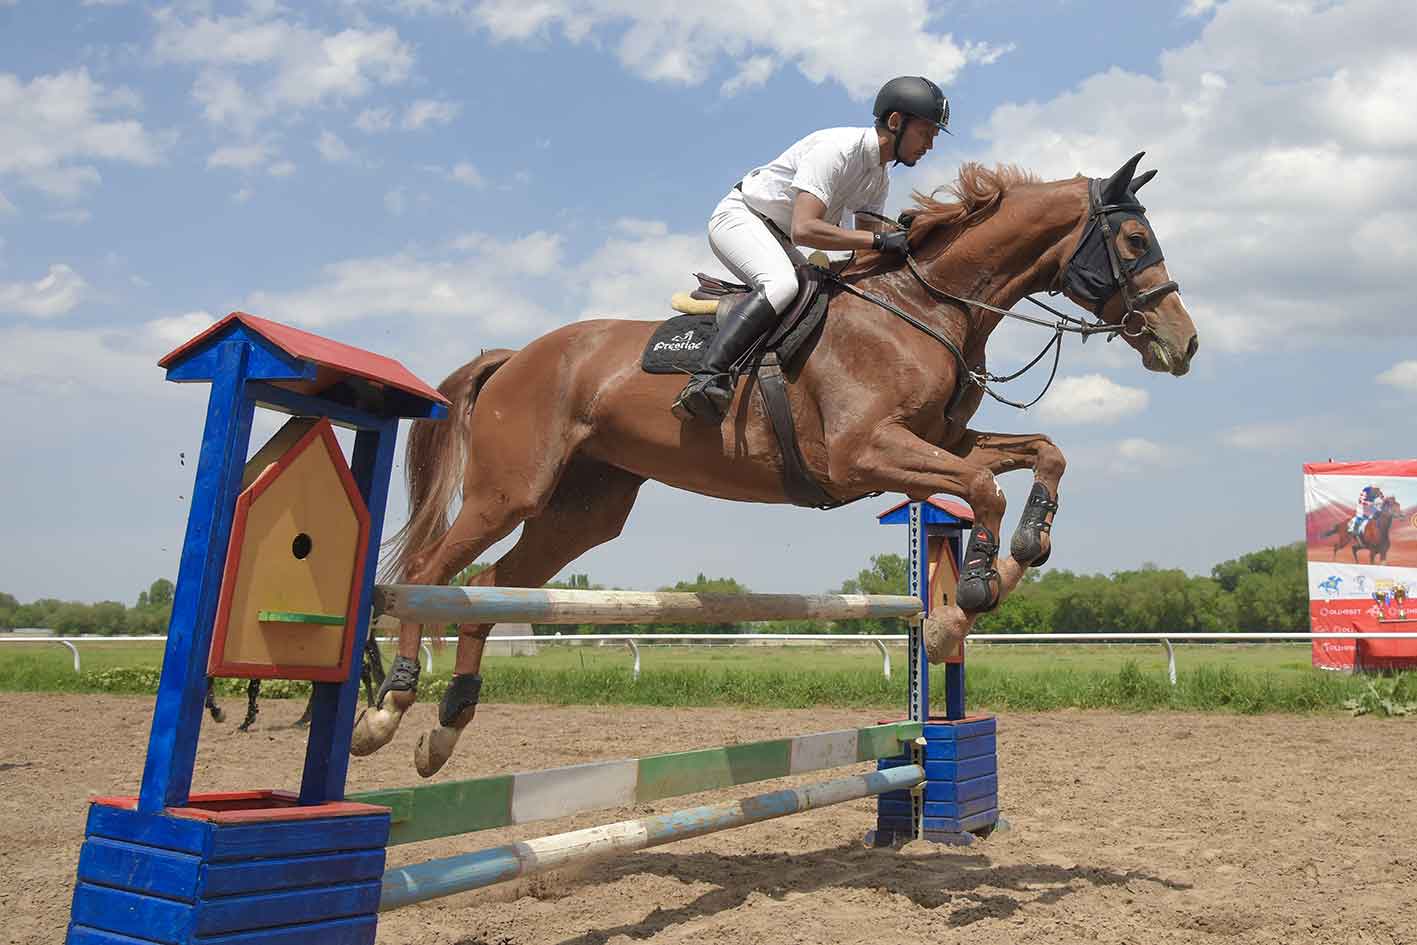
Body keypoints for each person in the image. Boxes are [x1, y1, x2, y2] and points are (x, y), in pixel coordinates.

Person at [672, 76, 951, 423]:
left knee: (828, 298)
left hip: (780, 238)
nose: (930, 145)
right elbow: (805, 229)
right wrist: (880, 240)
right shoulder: (837, 150)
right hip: (742, 219)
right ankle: (707, 378)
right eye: (926, 133)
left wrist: (908, 239)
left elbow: (866, 248)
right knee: (781, 285)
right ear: (896, 122)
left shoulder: (878, 177)